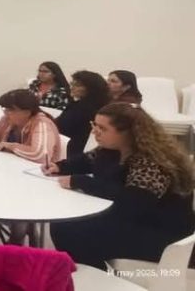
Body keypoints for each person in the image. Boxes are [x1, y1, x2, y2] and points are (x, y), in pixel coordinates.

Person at [45, 103, 195, 269]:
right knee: (65, 224)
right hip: (131, 218)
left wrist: (81, 181)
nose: (95, 132)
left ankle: (94, 274)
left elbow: (135, 201)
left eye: (102, 128)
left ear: (128, 132)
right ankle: (87, 271)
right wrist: (60, 166)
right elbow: (86, 160)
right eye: (94, 125)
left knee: (73, 230)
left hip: (160, 232)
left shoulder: (151, 161)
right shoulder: (111, 149)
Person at [0, 89, 61, 246]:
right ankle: (18, 232)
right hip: (11, 174)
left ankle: (17, 237)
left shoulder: (41, 123)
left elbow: (40, 155)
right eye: (5, 108)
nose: (6, 113)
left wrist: (10, 145)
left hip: (37, 180)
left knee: (13, 201)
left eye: (11, 109)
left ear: (27, 111)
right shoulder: (7, 120)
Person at [56, 71, 111, 157]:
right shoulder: (79, 104)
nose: (72, 87)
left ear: (91, 89)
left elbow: (63, 127)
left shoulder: (84, 109)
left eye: (77, 85)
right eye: (72, 84)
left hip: (74, 150)